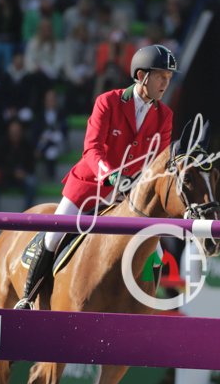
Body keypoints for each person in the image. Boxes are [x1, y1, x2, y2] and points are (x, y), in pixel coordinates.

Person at [16, 44, 177, 309]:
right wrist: (111, 176)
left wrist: (142, 186)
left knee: (155, 253)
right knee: (53, 236)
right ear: (141, 76)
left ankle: (146, 306)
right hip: (89, 187)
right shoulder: (108, 102)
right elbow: (92, 149)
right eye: (161, 76)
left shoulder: (165, 115)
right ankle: (27, 296)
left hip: (127, 197)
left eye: (169, 78)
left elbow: (158, 162)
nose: (165, 83)